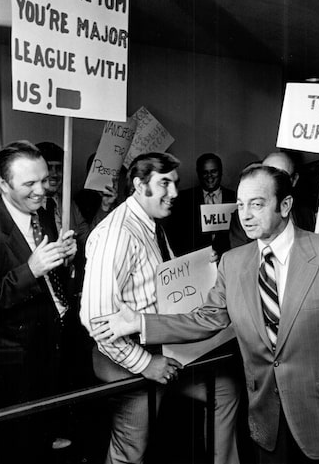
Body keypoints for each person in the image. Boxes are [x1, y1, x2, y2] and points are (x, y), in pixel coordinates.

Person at [91, 164, 319, 464]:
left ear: (285, 205)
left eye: (256, 205)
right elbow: (207, 318)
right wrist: (139, 323)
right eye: (241, 205)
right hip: (267, 419)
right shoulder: (233, 263)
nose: (245, 215)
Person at [80, 152, 239, 464]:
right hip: (128, 359)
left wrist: (203, 270)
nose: (175, 193)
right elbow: (96, 320)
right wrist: (145, 364)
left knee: (224, 392)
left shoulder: (151, 224)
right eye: (164, 183)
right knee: (130, 452)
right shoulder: (118, 235)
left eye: (175, 184)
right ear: (139, 185)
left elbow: (162, 282)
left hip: (164, 348)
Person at [0, 140, 77, 464]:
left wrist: (65, 259)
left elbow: (49, 278)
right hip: (13, 361)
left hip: (52, 346)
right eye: (29, 183)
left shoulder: (41, 214)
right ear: (3, 183)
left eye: (43, 180)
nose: (41, 190)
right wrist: (30, 270)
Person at [229, 150, 315, 248]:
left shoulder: (305, 212)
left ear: (294, 180)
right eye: (267, 174)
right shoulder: (243, 216)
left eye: (281, 178)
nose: (273, 181)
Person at [166, 152, 236, 256]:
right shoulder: (182, 199)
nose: (209, 176)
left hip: (229, 258)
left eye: (214, 171)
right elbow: (175, 236)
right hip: (196, 261)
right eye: (205, 172)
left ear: (221, 172)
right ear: (198, 173)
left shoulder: (235, 198)